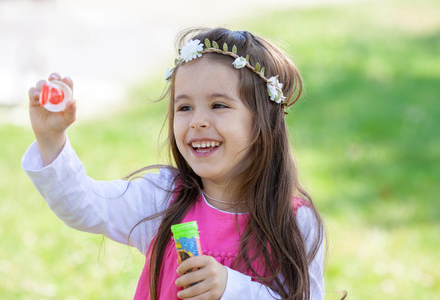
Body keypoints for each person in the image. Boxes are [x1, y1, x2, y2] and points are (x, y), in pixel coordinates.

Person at [22, 27, 325, 300]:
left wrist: (230, 287)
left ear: (263, 122)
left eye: (218, 105)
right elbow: (84, 205)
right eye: (184, 107)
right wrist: (51, 140)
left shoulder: (296, 222)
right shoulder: (163, 198)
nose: (197, 122)